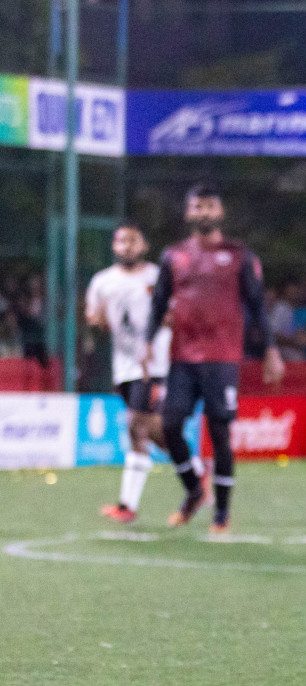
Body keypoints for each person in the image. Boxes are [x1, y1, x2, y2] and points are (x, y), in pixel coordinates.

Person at [147, 184, 284, 532]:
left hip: (222, 359)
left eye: (210, 206)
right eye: (197, 207)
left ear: (220, 212)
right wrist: (148, 342)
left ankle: (221, 514)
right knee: (169, 425)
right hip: (182, 358)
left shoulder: (240, 255)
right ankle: (194, 491)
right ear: (188, 213)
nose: (204, 212)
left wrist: (270, 348)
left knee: (220, 434)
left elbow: (256, 304)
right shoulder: (173, 256)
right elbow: (159, 302)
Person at [85, 224, 171, 523]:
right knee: (153, 431)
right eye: (122, 241)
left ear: (144, 245)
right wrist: (96, 321)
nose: (127, 246)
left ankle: (127, 506)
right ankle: (196, 470)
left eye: (133, 240)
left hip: (153, 363)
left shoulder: (157, 276)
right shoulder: (102, 281)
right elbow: (94, 315)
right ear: (114, 246)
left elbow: (173, 312)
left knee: (136, 424)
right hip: (122, 366)